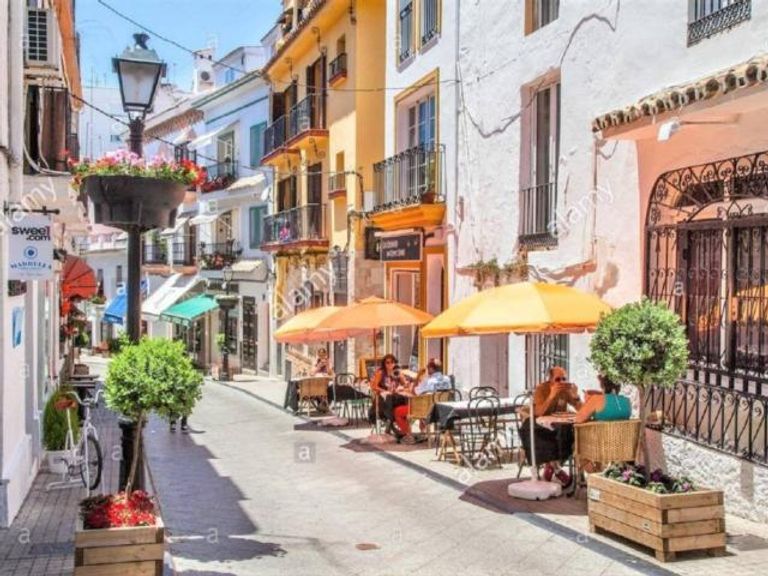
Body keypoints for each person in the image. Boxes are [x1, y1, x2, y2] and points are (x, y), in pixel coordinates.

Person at [520, 366, 582, 489]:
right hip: (541, 426)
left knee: (568, 433)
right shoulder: (541, 389)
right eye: (558, 379)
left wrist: (576, 396)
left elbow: (581, 409)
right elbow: (539, 413)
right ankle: (556, 467)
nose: (561, 382)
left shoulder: (566, 390)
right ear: (550, 379)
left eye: (564, 379)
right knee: (537, 432)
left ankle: (553, 465)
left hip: (559, 425)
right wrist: (551, 395)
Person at [392, 358, 452, 444]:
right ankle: (423, 432)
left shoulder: (428, 381)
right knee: (423, 403)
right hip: (441, 409)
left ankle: (409, 435)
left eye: (428, 367)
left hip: (427, 410)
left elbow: (414, 392)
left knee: (397, 412)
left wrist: (418, 376)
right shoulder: (447, 379)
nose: (427, 369)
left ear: (431, 368)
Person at [369, 354, 409, 434]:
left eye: (392, 362)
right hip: (382, 399)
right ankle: (390, 422)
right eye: (388, 362)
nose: (390, 364)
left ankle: (398, 425)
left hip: (395, 397)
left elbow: (405, 384)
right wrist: (384, 390)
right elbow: (374, 386)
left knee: (404, 400)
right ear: (384, 364)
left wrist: (401, 386)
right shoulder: (381, 373)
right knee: (389, 400)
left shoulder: (397, 372)